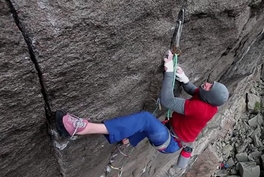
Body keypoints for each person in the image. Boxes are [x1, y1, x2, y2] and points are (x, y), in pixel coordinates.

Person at [55, 50, 229, 168]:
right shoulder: (207, 100)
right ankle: (127, 140)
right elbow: (195, 91)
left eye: (209, 87)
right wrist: (184, 79)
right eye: (209, 83)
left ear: (210, 97)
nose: (206, 84)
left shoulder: (202, 109)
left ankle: (82, 128)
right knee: (148, 125)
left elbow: (167, 100)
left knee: (146, 119)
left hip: (168, 141)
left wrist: (169, 72)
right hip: (169, 132)